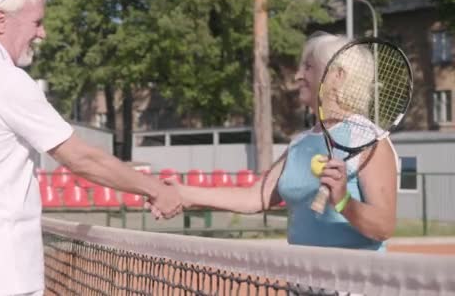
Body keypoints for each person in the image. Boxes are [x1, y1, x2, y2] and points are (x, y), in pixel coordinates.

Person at [0, 0, 182, 296]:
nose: (42, 34)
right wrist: (154, 189)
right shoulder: (3, 79)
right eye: (36, 22)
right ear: (1, 21)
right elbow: (82, 158)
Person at [168, 32, 398, 251]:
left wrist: (342, 201)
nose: (298, 76)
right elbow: (254, 197)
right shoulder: (300, 143)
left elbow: (383, 227)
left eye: (308, 67)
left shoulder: (370, 141)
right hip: (300, 283)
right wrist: (184, 194)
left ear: (338, 76)